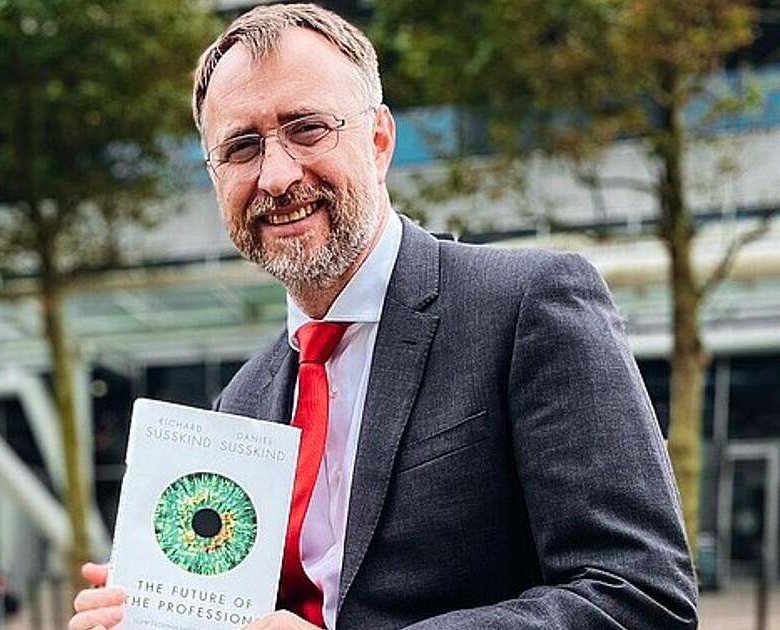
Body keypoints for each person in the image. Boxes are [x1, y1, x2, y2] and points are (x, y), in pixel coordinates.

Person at [70, 3, 697, 630]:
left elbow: (640, 599)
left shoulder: (526, 304)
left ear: (378, 141)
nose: (277, 175)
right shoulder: (243, 400)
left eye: (307, 129)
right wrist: (154, 613)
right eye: (240, 147)